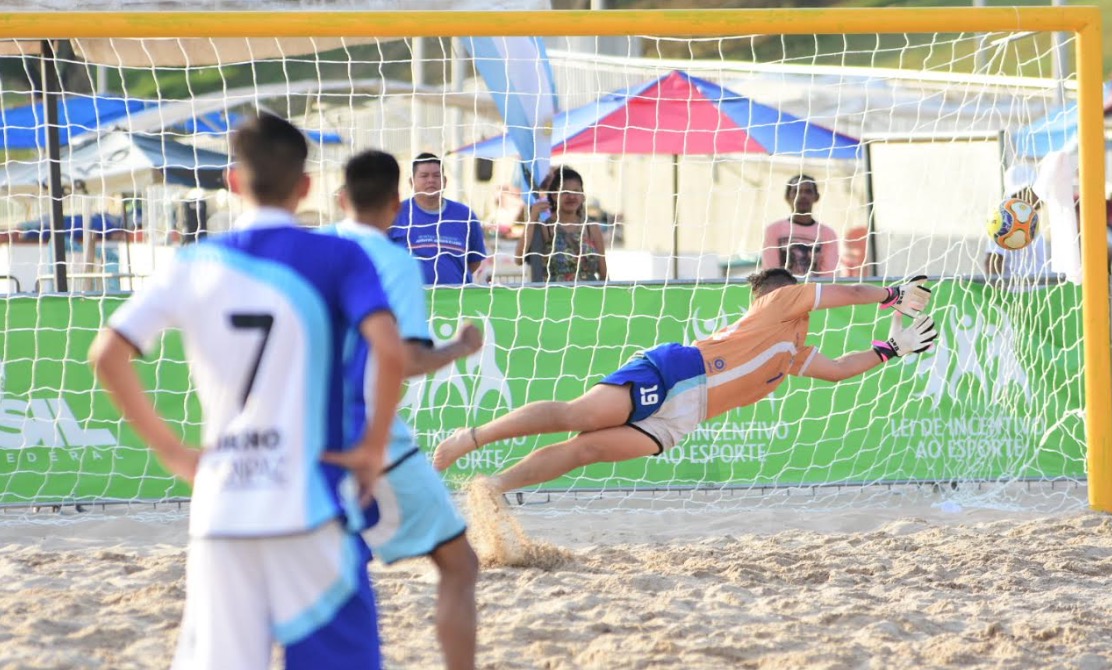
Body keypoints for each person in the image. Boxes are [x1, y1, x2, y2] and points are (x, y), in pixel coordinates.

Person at [88, 113, 406, 670]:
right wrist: (372, 449)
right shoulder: (339, 256)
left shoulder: (191, 264)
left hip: (224, 504)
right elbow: (390, 349)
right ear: (305, 186)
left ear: (233, 181)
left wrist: (173, 451)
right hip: (309, 501)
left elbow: (106, 355)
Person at [432, 269, 937, 492]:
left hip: (685, 417)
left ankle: (492, 488)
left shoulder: (791, 351)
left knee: (584, 450)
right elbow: (848, 290)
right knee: (575, 415)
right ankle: (468, 439)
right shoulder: (777, 302)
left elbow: (841, 370)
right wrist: (891, 294)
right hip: (678, 371)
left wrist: (889, 349)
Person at [319, 149, 481, 670]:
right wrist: (459, 348)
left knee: (329, 568)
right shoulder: (393, 261)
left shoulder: (315, 248)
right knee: (459, 564)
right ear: (397, 203)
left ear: (340, 198)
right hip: (370, 434)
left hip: (303, 430)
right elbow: (407, 359)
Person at [390, 153, 487, 285]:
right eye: (424, 176)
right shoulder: (395, 213)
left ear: (445, 181)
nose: (431, 180)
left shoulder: (465, 216)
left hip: (456, 300)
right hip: (412, 298)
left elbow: (474, 261)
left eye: (436, 176)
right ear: (411, 182)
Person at [514, 165, 608, 283]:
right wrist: (533, 217)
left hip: (590, 297)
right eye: (565, 192)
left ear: (583, 196)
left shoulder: (592, 228)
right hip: (555, 297)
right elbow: (518, 259)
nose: (571, 197)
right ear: (554, 196)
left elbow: (604, 274)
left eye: (576, 191)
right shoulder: (545, 228)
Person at [761, 174, 839, 278]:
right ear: (787, 197)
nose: (802, 195)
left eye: (808, 191)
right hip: (783, 292)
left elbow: (828, 275)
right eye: (796, 191)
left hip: (814, 292)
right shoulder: (773, 230)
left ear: (816, 197)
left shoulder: (828, 234)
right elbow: (770, 272)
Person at [984, 164, 1050, 282]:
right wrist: (999, 294)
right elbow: (992, 261)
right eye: (1036, 190)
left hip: (1038, 295)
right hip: (1018, 294)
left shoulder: (1031, 222)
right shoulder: (1006, 223)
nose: (1040, 196)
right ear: (1024, 192)